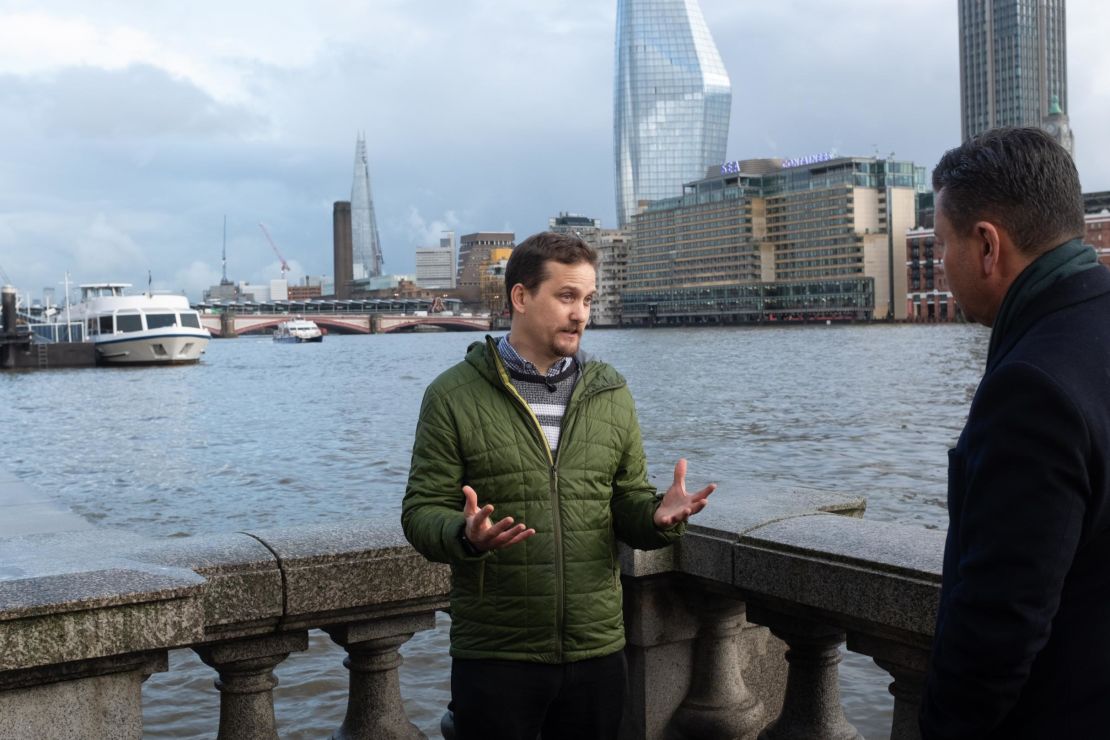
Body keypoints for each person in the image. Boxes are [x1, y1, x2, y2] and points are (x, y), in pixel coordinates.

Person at [402, 231, 714, 740]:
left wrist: (659, 517)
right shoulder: (452, 394)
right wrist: (465, 533)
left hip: (597, 650)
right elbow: (419, 512)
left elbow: (626, 501)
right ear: (520, 298)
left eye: (588, 299)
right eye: (567, 297)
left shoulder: (610, 391)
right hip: (497, 654)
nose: (582, 314)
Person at [919, 127, 1110, 738]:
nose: (941, 263)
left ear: (986, 246)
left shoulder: (1031, 388)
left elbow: (997, 630)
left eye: (942, 244)